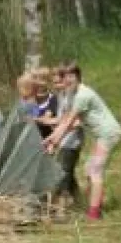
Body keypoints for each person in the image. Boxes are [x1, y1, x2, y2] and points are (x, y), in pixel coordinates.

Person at [45, 62, 121, 220]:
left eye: (71, 76)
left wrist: (54, 141)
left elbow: (68, 123)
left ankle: (93, 214)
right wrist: (52, 139)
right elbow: (68, 121)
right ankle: (93, 205)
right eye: (65, 77)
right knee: (89, 169)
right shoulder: (75, 95)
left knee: (94, 172)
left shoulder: (82, 96)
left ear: (78, 78)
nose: (67, 80)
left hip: (108, 135)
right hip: (102, 136)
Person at [51, 64, 84, 213]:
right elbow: (60, 119)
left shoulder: (72, 97)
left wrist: (56, 135)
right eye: (54, 82)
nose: (57, 85)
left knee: (63, 174)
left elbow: (72, 121)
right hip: (64, 140)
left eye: (59, 81)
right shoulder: (61, 96)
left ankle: (61, 210)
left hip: (72, 141)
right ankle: (81, 202)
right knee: (68, 173)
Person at [32, 69, 58, 139]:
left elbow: (46, 119)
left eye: (42, 80)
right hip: (33, 139)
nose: (39, 83)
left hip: (49, 139)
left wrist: (31, 119)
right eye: (36, 79)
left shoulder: (52, 99)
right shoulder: (32, 99)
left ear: (48, 82)